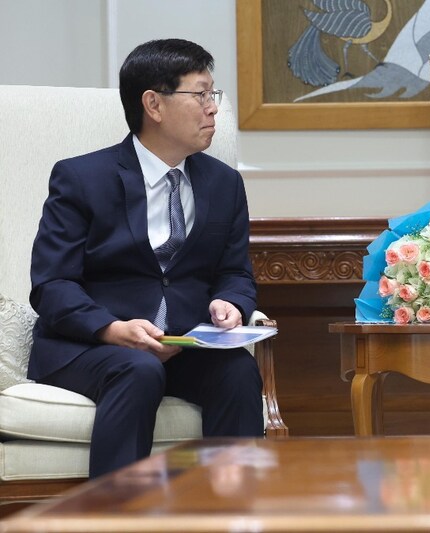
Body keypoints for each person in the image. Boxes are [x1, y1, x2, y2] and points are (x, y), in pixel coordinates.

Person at [28, 38, 264, 478]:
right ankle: (117, 516)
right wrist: (112, 329)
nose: (213, 108)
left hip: (182, 346)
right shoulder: (81, 178)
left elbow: (235, 273)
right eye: (200, 94)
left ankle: (234, 512)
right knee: (137, 370)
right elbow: (51, 284)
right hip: (93, 346)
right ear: (153, 105)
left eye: (214, 94)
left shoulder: (224, 183)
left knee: (236, 372)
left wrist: (231, 303)